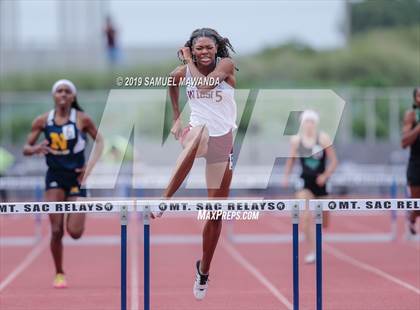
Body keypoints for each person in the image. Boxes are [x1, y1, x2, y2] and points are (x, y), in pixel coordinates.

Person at [163, 28, 237, 300]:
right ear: (191, 50)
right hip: (197, 132)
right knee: (199, 136)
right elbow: (171, 81)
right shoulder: (185, 71)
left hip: (223, 144)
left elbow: (205, 86)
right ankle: (165, 198)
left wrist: (187, 63)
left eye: (209, 47)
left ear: (216, 48)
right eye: (199, 49)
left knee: (215, 214)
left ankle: (203, 270)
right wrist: (176, 117)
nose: (204, 52)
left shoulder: (225, 66)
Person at [23, 79, 103, 288]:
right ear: (54, 96)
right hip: (55, 179)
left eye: (67, 91)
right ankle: (59, 272)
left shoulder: (82, 119)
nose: (63, 94)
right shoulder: (43, 121)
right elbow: (26, 148)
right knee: (57, 230)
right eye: (59, 91)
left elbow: (101, 141)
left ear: (73, 96)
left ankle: (75, 221)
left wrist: (89, 166)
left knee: (75, 233)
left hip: (77, 178)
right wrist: (35, 149)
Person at [283, 110, 338, 263]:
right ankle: (313, 250)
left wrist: (325, 176)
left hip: (321, 182)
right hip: (305, 182)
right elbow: (291, 160)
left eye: (311, 122)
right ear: (302, 124)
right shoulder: (296, 140)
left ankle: (314, 233)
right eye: (306, 122)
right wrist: (286, 176)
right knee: (305, 217)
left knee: (325, 222)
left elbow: (334, 161)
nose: (309, 125)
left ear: (315, 123)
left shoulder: (323, 138)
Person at [401, 87, 420, 235]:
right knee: (417, 205)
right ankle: (412, 217)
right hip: (416, 164)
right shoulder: (411, 116)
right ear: (415, 99)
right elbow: (404, 143)